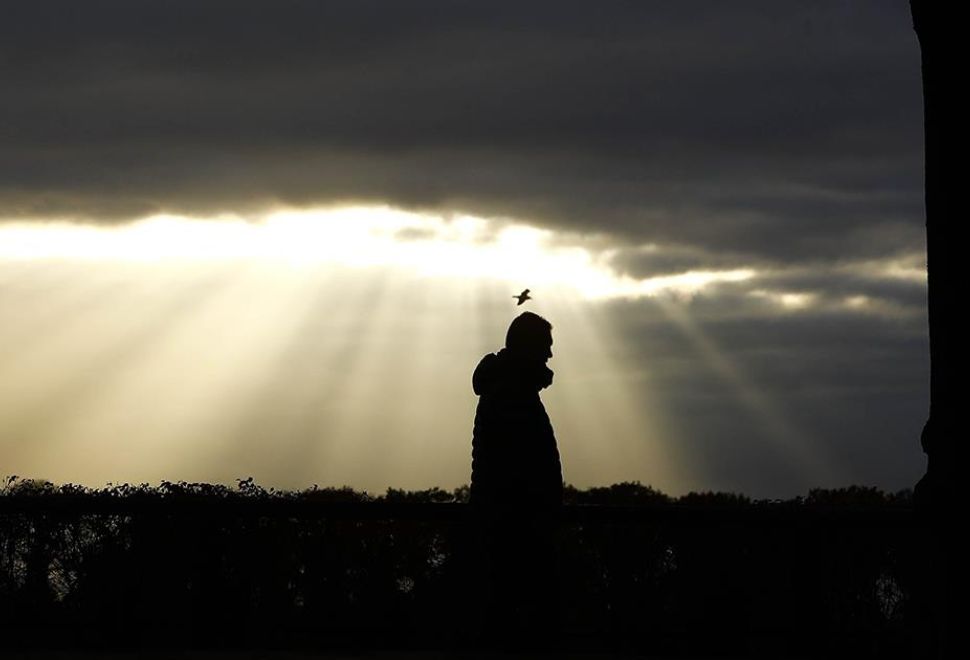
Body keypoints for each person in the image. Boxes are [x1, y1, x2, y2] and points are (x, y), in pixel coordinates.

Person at [469, 311, 563, 646]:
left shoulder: (504, 389)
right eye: (546, 346)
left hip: (506, 528)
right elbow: (520, 469)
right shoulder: (513, 394)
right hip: (517, 533)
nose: (550, 355)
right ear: (530, 347)